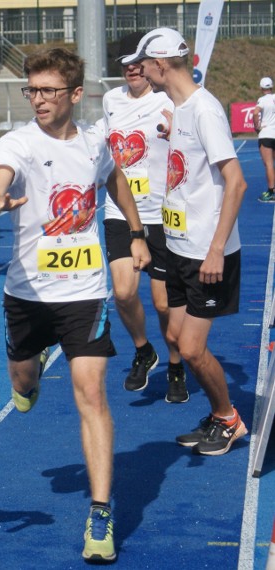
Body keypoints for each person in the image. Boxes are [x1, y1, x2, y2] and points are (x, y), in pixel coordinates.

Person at [0, 47, 150, 563]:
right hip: (27, 293)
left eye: (49, 91)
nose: (38, 100)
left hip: (84, 292)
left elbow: (114, 179)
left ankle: (100, 513)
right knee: (23, 380)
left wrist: (136, 231)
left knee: (91, 393)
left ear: (75, 94)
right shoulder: (18, 141)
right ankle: (28, 378)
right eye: (32, 90)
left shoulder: (96, 142)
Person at [123, 28, 248, 455]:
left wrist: (215, 249)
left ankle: (229, 420)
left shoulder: (204, 111)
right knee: (176, 335)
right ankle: (217, 415)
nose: (139, 70)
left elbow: (237, 182)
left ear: (161, 65)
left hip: (204, 252)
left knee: (192, 349)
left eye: (144, 63)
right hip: (179, 246)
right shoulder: (182, 110)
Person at [98, 31, 185, 401]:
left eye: (138, 61)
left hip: (161, 214)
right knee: (122, 291)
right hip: (119, 209)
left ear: (150, 64)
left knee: (165, 303)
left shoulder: (169, 99)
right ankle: (143, 350)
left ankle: (177, 364)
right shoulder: (110, 100)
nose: (132, 68)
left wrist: (174, 131)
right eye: (125, 63)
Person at [255, 77, 275, 202]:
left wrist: (257, 126)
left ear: (262, 88)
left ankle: (271, 191)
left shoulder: (262, 100)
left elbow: (255, 112)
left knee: (268, 164)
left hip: (266, 134)